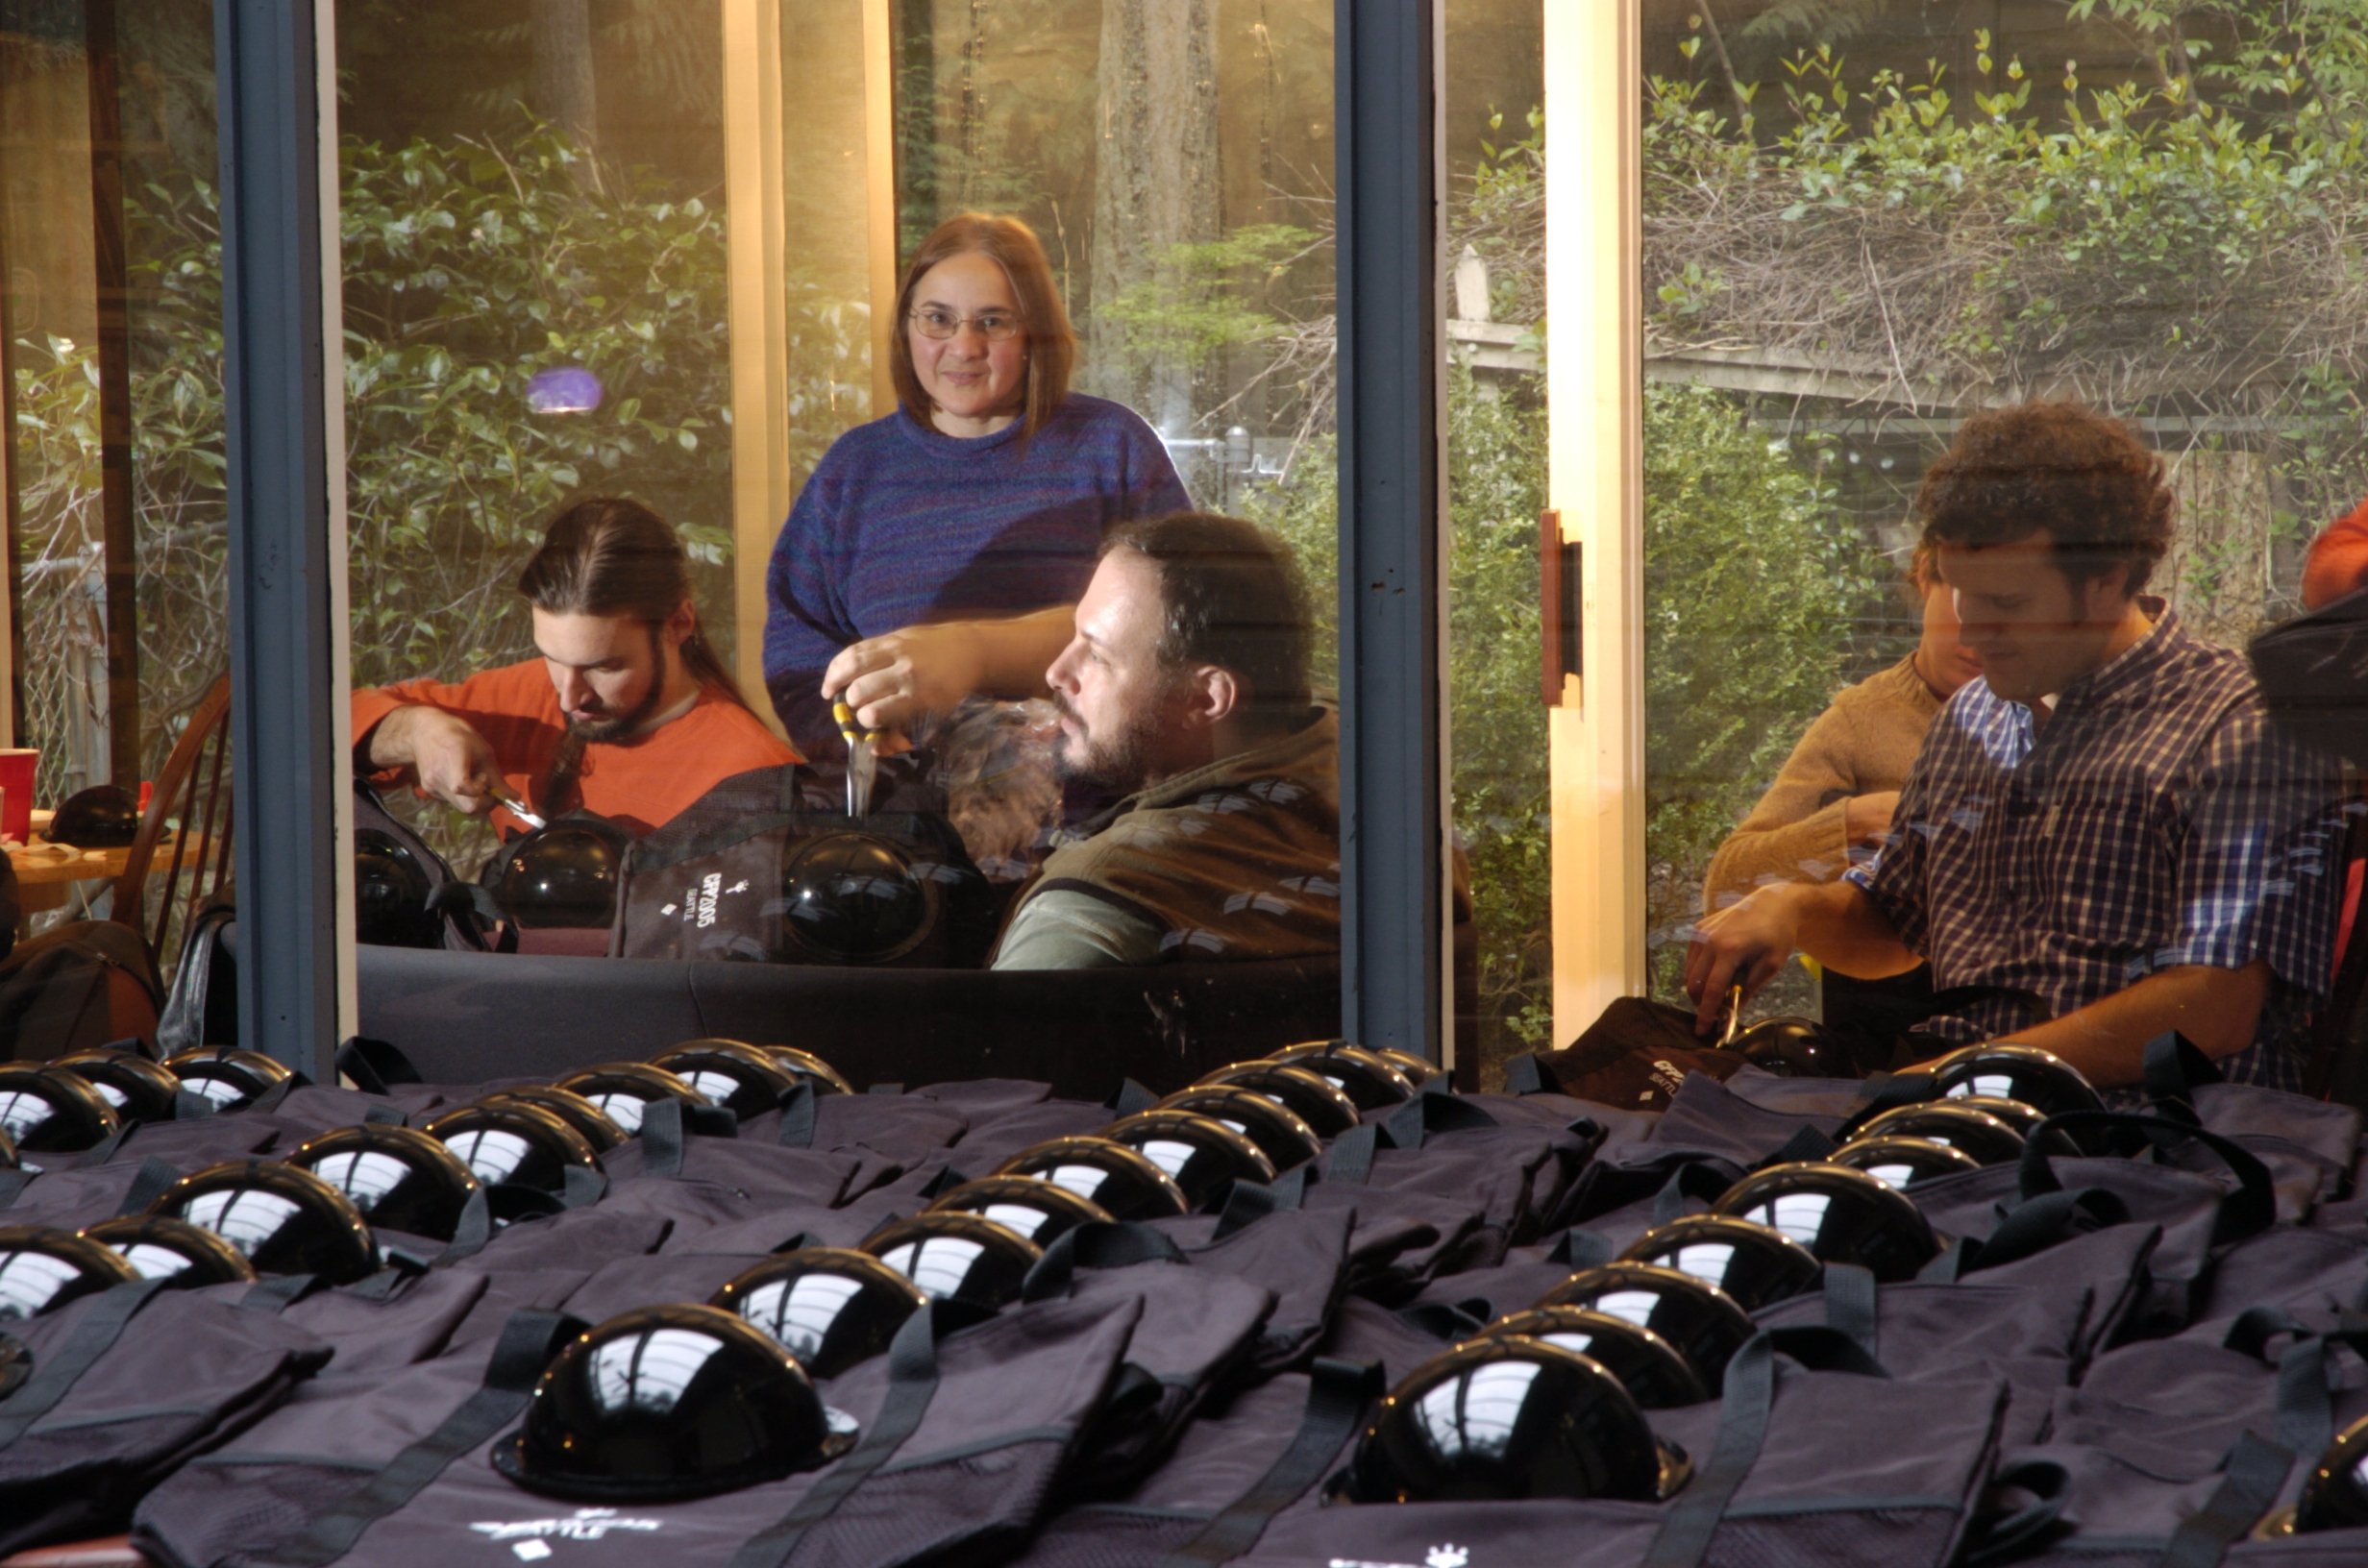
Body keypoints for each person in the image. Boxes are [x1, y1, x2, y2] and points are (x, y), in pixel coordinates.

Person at [1685, 403, 2344, 1090]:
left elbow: (2216, 1006)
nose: (1973, 633)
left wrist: (1954, 1076)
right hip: (1967, 1110)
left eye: (2006, 604)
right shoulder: (1973, 717)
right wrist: (1794, 907)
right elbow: (1895, 926)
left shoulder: (2244, 725)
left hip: (2154, 1132)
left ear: (2108, 578)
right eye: (1961, 596)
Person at [764, 212, 1193, 762]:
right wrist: (862, 745)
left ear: (1035, 331)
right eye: (938, 319)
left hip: (1098, 790)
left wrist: (971, 654)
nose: (965, 346)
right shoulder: (855, 468)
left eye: (993, 322)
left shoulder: (1111, 445)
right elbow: (798, 649)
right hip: (901, 794)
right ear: (906, 328)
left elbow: (1178, 617)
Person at [991, 512, 1338, 968]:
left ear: (1204, 697)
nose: (1055, 672)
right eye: (1073, 635)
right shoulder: (1363, 753)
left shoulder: (1086, 912)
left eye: (1097, 655)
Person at [354, 496, 798, 837]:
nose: (569, 698)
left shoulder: (753, 780)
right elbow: (333, 725)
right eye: (552, 658)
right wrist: (419, 732)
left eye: (605, 666)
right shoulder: (525, 697)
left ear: (678, 624)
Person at [1702, 550, 1981, 907]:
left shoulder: (2047, 714)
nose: (1981, 635)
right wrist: (1857, 820)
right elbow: (1724, 888)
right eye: (1967, 602)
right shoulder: (1862, 719)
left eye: (2013, 609)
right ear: (1927, 575)